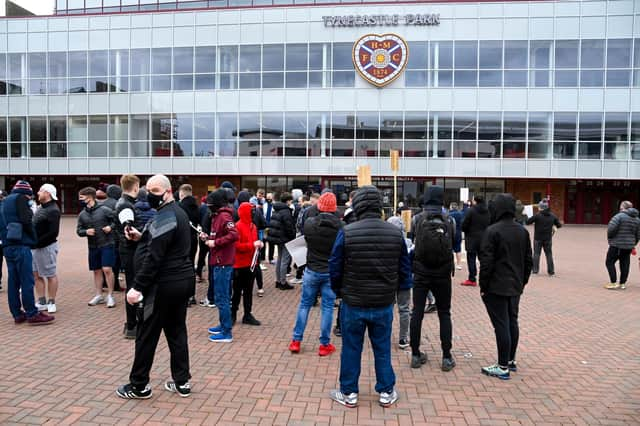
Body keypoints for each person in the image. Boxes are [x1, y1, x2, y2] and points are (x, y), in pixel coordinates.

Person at [329, 185, 412, 408]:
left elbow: (335, 267)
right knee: (382, 348)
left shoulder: (347, 232)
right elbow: (404, 270)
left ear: (357, 206)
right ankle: (386, 391)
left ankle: (349, 393)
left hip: (354, 301)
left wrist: (339, 292)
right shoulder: (395, 233)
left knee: (351, 348)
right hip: (383, 301)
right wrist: (398, 292)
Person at [116, 174, 195, 399]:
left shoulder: (167, 216)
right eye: (148, 189)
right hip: (179, 282)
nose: (150, 194)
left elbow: (154, 256)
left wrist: (137, 287)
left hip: (163, 285)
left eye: (156, 190)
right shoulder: (173, 213)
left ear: (168, 192)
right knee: (176, 330)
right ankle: (182, 381)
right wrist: (141, 236)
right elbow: (161, 243)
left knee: (146, 334)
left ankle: (139, 385)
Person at [479, 193, 532, 380]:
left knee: (501, 324)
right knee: (512, 321)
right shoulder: (522, 231)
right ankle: (510, 360)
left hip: (496, 286)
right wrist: (522, 282)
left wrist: (483, 285)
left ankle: (502, 366)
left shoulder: (492, 231)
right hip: (515, 285)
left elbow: (487, 263)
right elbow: (528, 261)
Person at [409, 186, 456, 371]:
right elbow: (455, 243)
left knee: (417, 312)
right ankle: (446, 357)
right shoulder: (449, 220)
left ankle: (415, 354)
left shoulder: (416, 219)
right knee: (444, 313)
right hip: (443, 273)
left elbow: (412, 241)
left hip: (421, 272)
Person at [289, 192, 342, 356]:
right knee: (327, 308)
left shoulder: (310, 224)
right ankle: (324, 344)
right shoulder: (341, 227)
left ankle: (296, 341)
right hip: (329, 272)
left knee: (304, 305)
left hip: (311, 269)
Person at [1, 180, 55, 325]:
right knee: (27, 280)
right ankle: (32, 313)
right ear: (26, 193)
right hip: (20, 245)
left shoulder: (6, 201)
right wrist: (33, 238)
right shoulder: (20, 199)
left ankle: (17, 313)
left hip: (7, 245)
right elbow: (26, 221)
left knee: (13, 281)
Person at [204, 189, 238, 343]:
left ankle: (226, 331)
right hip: (218, 260)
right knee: (220, 296)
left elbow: (233, 234)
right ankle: (224, 325)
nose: (207, 207)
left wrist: (215, 242)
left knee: (222, 297)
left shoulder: (224, 216)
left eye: (209, 204)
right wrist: (207, 237)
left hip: (223, 262)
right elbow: (218, 235)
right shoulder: (217, 216)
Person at [76, 186, 117, 308]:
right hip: (93, 245)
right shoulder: (82, 214)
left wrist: (111, 227)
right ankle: (98, 295)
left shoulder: (105, 210)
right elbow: (79, 230)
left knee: (107, 269)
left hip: (107, 243)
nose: (80, 200)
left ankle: (110, 295)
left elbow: (116, 221)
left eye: (82, 197)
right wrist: (85, 232)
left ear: (90, 197)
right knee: (96, 270)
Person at [115, 174, 142, 339]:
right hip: (130, 251)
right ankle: (132, 324)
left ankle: (132, 323)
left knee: (132, 284)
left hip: (127, 250)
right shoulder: (126, 206)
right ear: (136, 187)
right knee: (133, 285)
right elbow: (128, 229)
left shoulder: (124, 203)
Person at [231, 202, 263, 326]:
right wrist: (253, 245)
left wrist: (258, 244)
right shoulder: (237, 226)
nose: (254, 213)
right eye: (251, 211)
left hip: (251, 264)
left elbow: (253, 242)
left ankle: (247, 314)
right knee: (237, 291)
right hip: (239, 265)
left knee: (248, 291)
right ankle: (233, 313)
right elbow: (236, 246)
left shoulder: (253, 226)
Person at [32, 184, 62, 314]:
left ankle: (51, 301)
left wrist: (37, 243)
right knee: (36, 274)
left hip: (46, 247)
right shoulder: (39, 208)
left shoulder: (53, 210)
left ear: (48, 193)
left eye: (40, 190)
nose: (38, 193)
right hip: (34, 247)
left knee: (50, 274)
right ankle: (42, 300)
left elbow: (53, 232)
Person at [385, 208, 411, 349]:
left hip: (388, 279)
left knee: (388, 307)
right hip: (404, 279)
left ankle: (384, 335)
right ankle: (403, 338)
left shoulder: (384, 242)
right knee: (404, 309)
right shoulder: (408, 242)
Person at [604, 201, 640, 290]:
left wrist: (610, 239)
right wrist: (633, 244)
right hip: (628, 246)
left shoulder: (619, 216)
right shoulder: (637, 219)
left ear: (622, 208)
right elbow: (638, 234)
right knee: (625, 263)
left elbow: (611, 229)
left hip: (616, 244)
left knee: (609, 262)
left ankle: (613, 282)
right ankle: (622, 283)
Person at [267, 192, 296, 290]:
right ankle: (283, 282)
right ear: (288, 200)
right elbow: (289, 227)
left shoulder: (276, 209)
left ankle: (278, 280)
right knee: (285, 260)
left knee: (280, 259)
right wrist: (293, 237)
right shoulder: (286, 211)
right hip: (285, 238)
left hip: (278, 238)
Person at [178, 184, 201, 306]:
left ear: (182, 194)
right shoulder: (197, 207)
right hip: (193, 239)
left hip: (182, 240)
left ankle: (183, 295)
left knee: (181, 267)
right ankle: (191, 295)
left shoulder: (180, 206)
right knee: (191, 265)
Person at [526, 199, 562, 276]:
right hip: (548, 238)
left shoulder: (537, 215)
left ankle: (535, 271)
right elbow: (559, 225)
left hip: (538, 238)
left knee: (536, 254)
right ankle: (551, 272)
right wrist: (554, 226)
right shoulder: (552, 216)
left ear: (541, 208)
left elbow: (528, 222)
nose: (538, 208)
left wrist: (527, 215)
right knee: (549, 254)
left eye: (539, 207)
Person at [461, 195, 491, 287]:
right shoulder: (488, 211)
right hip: (485, 238)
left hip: (471, 238)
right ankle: (485, 278)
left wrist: (465, 230)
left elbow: (465, 224)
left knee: (471, 259)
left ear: (475, 201)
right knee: (483, 259)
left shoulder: (471, 210)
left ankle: (472, 279)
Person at [448, 202, 464, 270]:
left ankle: (450, 264)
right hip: (458, 233)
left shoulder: (449, 215)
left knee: (449, 249)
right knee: (458, 249)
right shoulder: (461, 214)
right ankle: (459, 264)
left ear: (451, 207)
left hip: (450, 234)